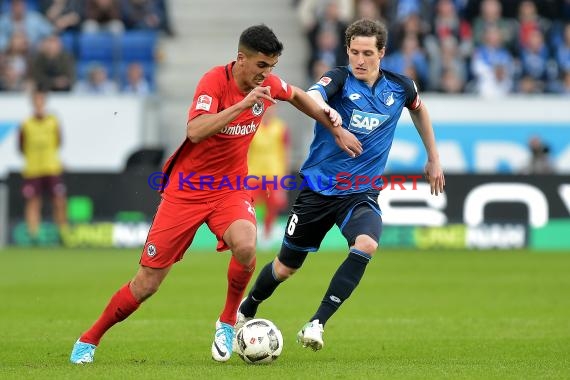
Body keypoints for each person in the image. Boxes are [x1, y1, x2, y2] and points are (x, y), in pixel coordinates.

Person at [69, 24, 362, 364]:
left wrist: (334, 127)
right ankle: (89, 339)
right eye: (262, 66)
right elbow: (195, 131)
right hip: (187, 191)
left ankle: (226, 321)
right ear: (241, 59)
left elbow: (297, 95)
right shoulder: (214, 82)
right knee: (146, 284)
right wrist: (243, 105)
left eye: (272, 67)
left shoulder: (266, 84)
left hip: (230, 188)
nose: (267, 74)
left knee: (247, 245)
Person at [236, 19, 446, 351]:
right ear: (347, 51)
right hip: (318, 190)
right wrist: (330, 117)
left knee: (366, 244)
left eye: (367, 53)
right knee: (285, 267)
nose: (359, 60)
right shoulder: (338, 79)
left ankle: (317, 323)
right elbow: (314, 95)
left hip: (361, 192)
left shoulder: (401, 87)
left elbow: (419, 110)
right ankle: (247, 308)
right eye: (354, 52)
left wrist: (433, 156)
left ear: (382, 53)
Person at [19, 88, 68, 243]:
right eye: (36, 100)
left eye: (41, 100)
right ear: (33, 103)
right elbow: (21, 146)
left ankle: (62, 233)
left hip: (51, 167)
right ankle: (34, 235)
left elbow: (59, 141)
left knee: (59, 200)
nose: (39, 103)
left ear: (44, 102)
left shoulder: (53, 121)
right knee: (33, 202)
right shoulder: (26, 123)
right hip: (33, 169)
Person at [247, 105, 290, 244]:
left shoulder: (281, 128)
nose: (268, 112)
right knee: (249, 205)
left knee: (273, 205)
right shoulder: (252, 126)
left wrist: (286, 175)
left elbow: (285, 152)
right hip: (253, 173)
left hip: (274, 173)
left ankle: (267, 234)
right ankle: (251, 231)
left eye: (271, 109)